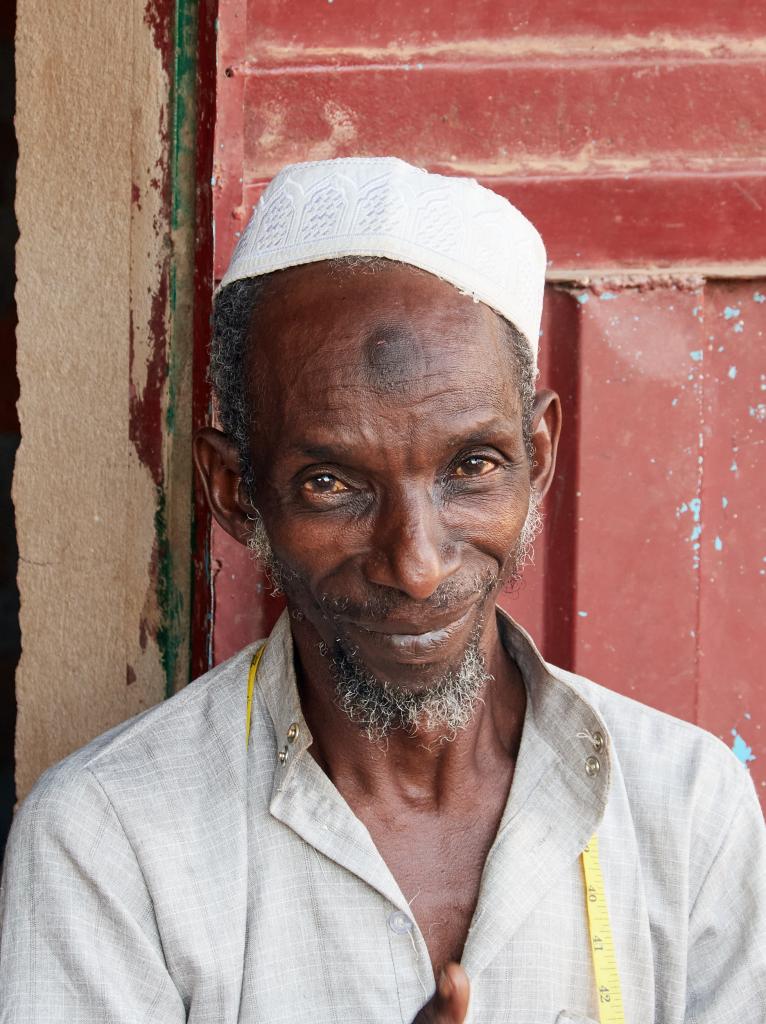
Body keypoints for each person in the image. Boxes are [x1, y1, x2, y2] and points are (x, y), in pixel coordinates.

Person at [1, 157, 764, 1024]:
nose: (417, 565)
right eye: (333, 483)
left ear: (539, 456)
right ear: (234, 487)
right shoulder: (111, 840)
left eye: (472, 467)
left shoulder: (686, 807)